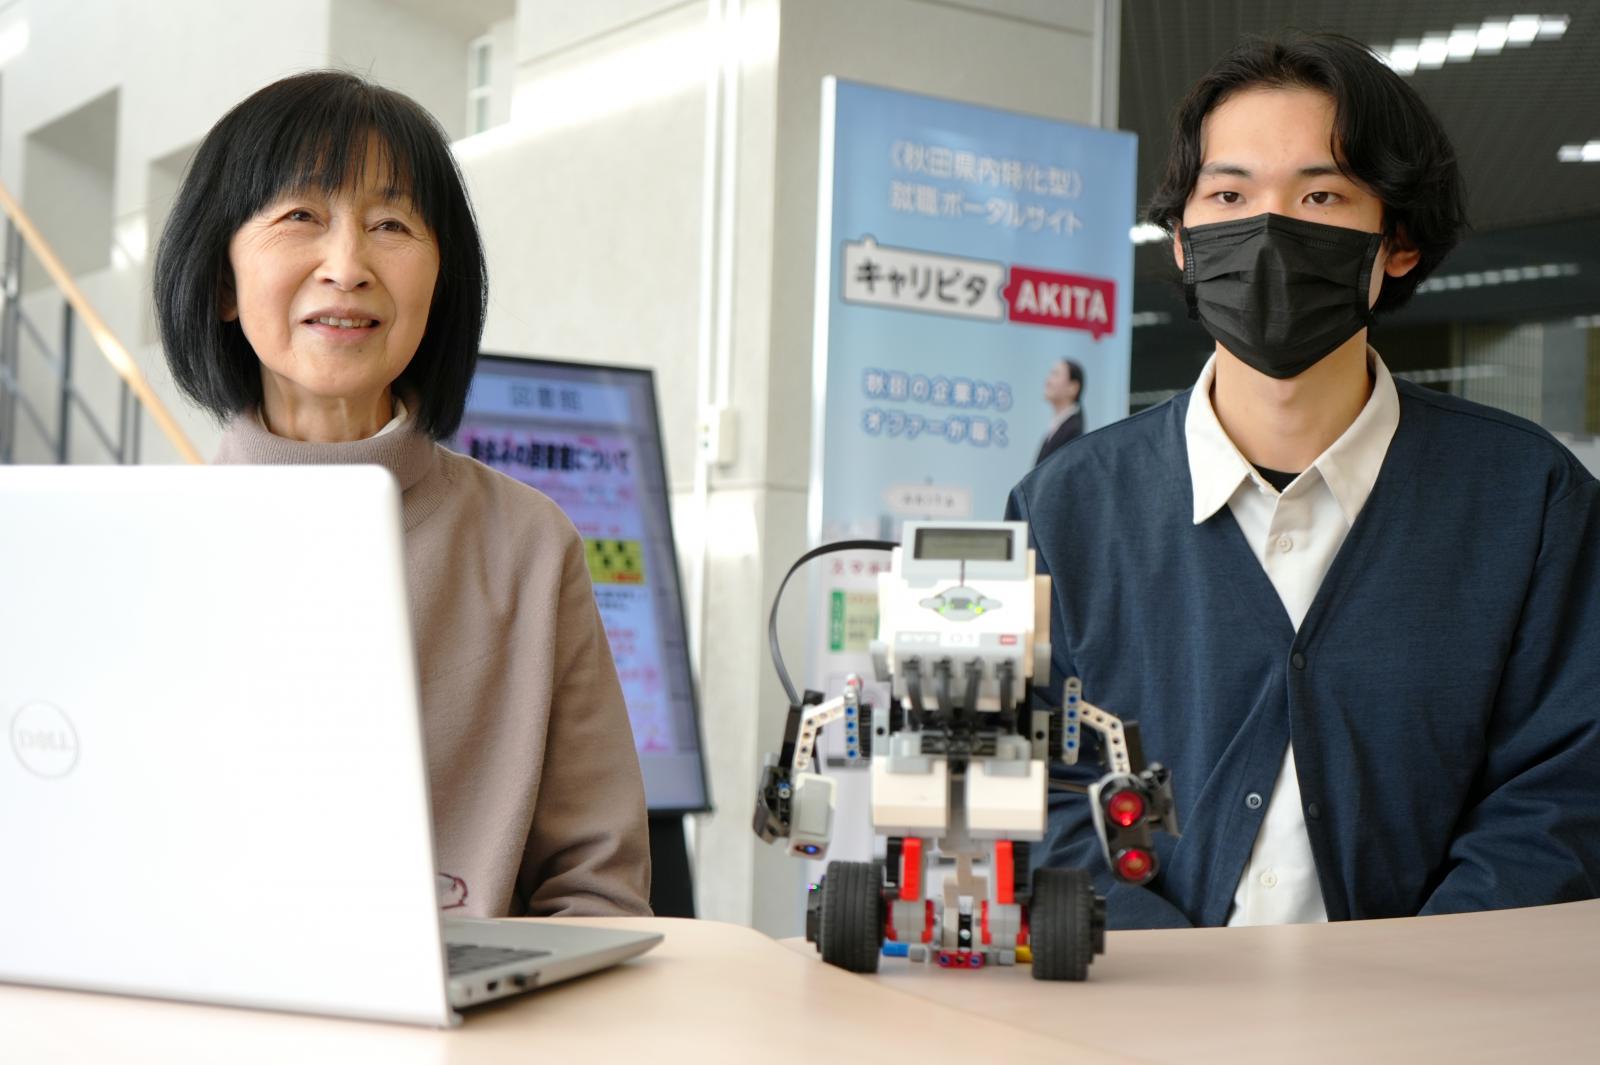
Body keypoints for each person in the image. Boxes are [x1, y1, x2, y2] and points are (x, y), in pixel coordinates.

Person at [1006, 33, 1599, 929]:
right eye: (1230, 195)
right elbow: (1025, 781)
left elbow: (1563, 788)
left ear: (1398, 243)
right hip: (1142, 995)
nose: (1269, 232)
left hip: (1437, 1000)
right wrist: (1172, 972)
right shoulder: (1067, 508)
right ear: (1183, 241)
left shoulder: (1529, 498)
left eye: (1321, 195)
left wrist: (1413, 982)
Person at [153, 71, 651, 918]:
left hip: (476, 1000)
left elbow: (597, 890)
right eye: (300, 216)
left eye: (391, 224)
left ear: (439, 280)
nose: (347, 266)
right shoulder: (146, 553)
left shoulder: (530, 545)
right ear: (223, 282)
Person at [1035, 358, 1085, 464]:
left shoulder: (1073, 432)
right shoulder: (1058, 426)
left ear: (1073, 387)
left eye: (1055, 374)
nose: (1048, 380)